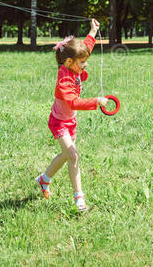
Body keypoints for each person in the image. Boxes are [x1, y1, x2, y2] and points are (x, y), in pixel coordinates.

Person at [35, 19, 108, 211]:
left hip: (71, 121)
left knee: (67, 155)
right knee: (73, 155)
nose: (85, 64)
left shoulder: (73, 63)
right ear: (69, 62)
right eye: (83, 62)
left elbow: (86, 48)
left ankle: (44, 179)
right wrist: (96, 101)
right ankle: (79, 197)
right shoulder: (63, 81)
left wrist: (93, 31)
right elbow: (74, 102)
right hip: (59, 122)